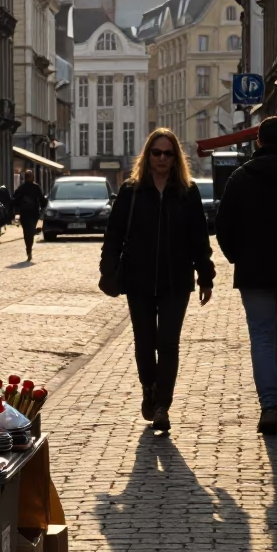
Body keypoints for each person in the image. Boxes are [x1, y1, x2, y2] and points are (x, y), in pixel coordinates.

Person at [99, 128, 214, 432]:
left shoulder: (188, 192)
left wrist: (206, 276)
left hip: (177, 281)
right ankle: (149, 386)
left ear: (176, 157)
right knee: (144, 343)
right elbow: (113, 235)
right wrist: (107, 270)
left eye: (168, 153)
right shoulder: (131, 191)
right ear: (147, 155)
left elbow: (198, 238)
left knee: (169, 344)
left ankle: (162, 405)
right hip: (138, 279)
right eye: (156, 152)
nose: (162, 158)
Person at [215, 116, 277, 435]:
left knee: (262, 336)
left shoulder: (241, 177)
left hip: (254, 273)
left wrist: (238, 257)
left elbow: (223, 225)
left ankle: (268, 404)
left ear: (258, 142)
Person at [11, 169, 47, 260]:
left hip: (30, 213)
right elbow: (15, 199)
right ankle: (29, 249)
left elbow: (15, 199)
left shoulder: (29, 187)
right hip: (29, 213)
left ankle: (29, 248)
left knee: (28, 232)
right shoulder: (29, 187)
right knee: (28, 232)